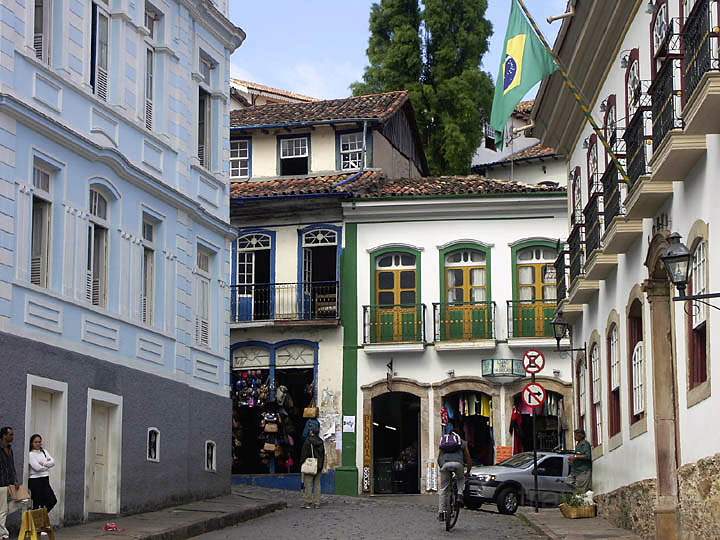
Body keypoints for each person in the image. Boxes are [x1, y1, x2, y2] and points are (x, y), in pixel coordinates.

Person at [437, 429, 472, 521]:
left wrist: (442, 467)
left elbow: (438, 458)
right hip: (458, 464)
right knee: (461, 479)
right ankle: (460, 495)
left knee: (443, 489)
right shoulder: (462, 442)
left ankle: (441, 513)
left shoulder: (444, 443)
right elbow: (468, 459)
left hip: (445, 465)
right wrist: (467, 471)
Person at [28, 434, 57, 513]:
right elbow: (37, 468)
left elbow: (53, 462)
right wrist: (47, 465)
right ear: (31, 443)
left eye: (39, 442)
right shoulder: (30, 454)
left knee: (52, 500)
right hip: (35, 481)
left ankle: (42, 517)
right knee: (37, 503)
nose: (38, 444)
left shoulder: (44, 452)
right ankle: (35, 524)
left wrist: (43, 464)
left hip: (45, 479)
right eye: (35, 442)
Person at [0, 427, 19, 540]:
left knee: (11, 507)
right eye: (10, 434)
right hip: (1, 484)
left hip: (10, 484)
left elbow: (12, 466)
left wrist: (15, 480)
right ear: (3, 436)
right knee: (2, 510)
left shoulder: (10, 449)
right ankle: (3, 533)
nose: (12, 437)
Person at [300, 426, 324, 509]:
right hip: (318, 465)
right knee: (317, 484)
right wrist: (320, 465)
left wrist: (302, 462)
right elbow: (322, 455)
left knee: (308, 484)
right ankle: (317, 503)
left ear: (311, 432)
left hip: (310, 465)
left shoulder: (308, 441)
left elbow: (304, 454)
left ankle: (308, 502)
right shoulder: (321, 442)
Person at [568, 428, 592, 494]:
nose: (574, 437)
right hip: (576, 471)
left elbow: (587, 456)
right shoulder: (578, 445)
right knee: (569, 482)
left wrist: (575, 457)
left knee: (581, 490)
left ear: (580, 435)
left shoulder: (585, 444)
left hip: (583, 471)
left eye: (575, 435)